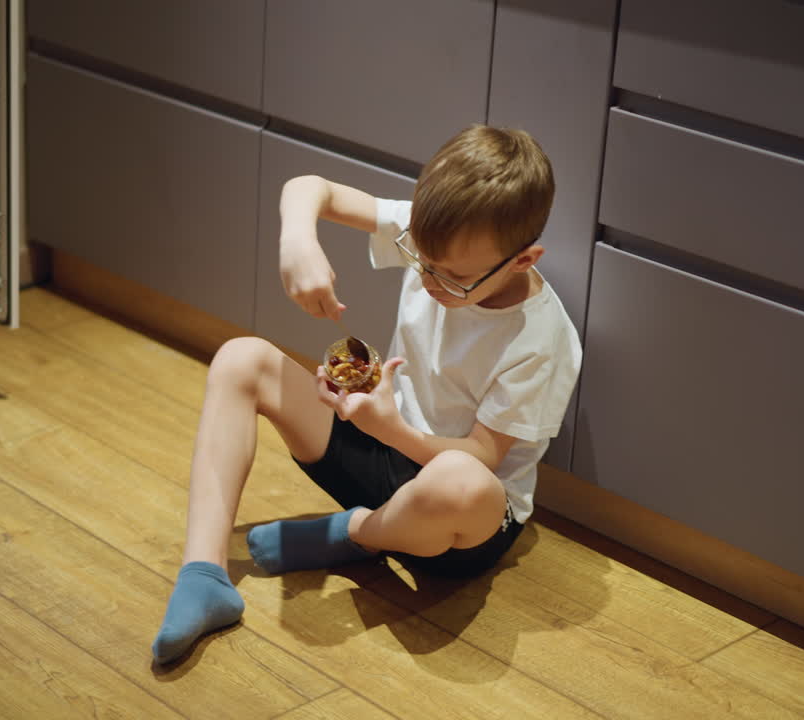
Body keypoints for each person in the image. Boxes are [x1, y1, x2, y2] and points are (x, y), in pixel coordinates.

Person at [151, 125, 582, 664]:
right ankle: (204, 575)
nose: (429, 282)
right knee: (242, 359)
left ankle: (357, 532)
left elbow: (483, 457)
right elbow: (310, 187)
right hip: (385, 453)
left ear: (523, 260)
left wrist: (389, 429)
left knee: (461, 481)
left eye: (454, 279)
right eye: (422, 260)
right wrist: (298, 240)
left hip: (459, 523)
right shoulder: (440, 235)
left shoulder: (540, 339)